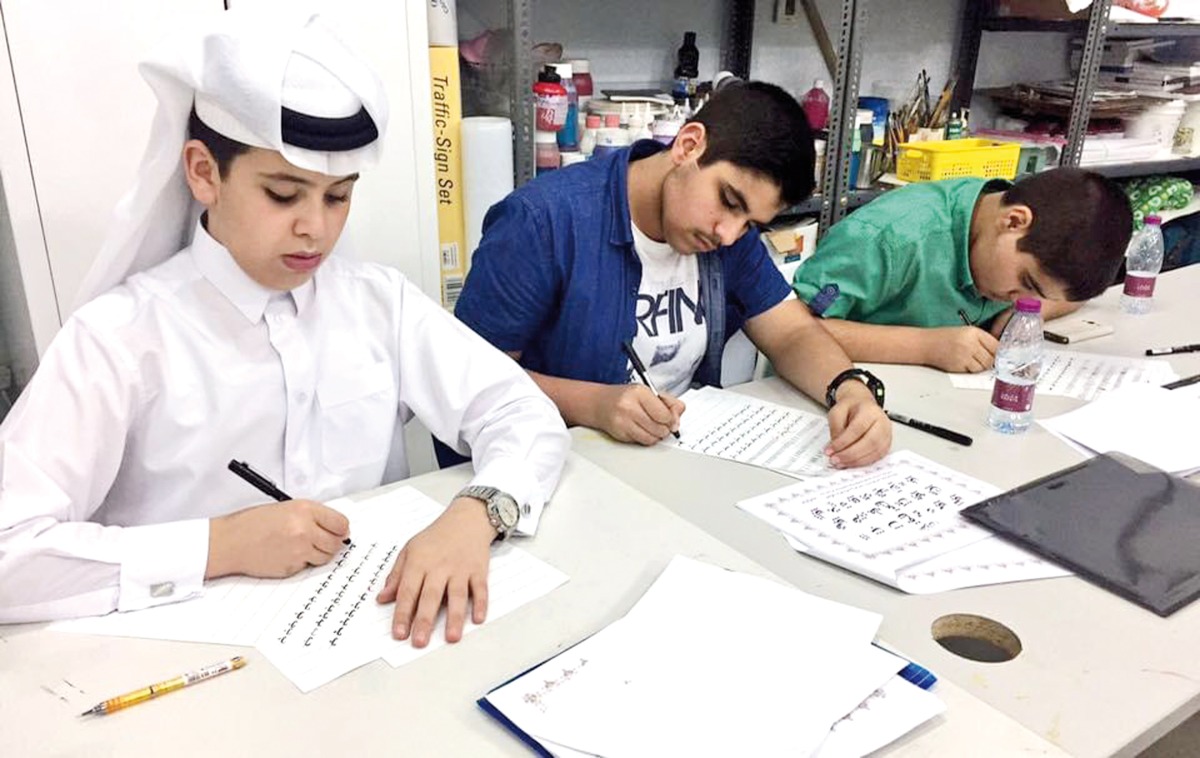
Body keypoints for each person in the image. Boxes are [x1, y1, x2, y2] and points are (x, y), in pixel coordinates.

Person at [0, 11, 570, 651]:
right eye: (283, 194)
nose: (316, 230)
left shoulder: (377, 302)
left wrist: (478, 511)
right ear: (202, 171)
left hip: (378, 646)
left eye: (337, 197)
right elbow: (8, 553)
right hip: (187, 668)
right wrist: (221, 544)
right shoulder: (118, 340)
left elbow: (521, 410)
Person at [455, 81, 891, 467]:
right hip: (556, 466)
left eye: (751, 224)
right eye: (730, 201)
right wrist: (595, 405)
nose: (728, 234)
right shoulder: (542, 221)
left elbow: (791, 333)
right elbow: (468, 379)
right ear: (688, 146)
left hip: (676, 462)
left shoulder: (727, 237)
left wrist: (848, 388)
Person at [791, 168, 1134, 373]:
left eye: (1037, 296)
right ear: (1014, 221)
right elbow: (790, 330)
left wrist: (1027, 313)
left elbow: (1068, 298)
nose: (1023, 300)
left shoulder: (1014, 251)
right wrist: (925, 347)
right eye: (1025, 284)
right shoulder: (888, 238)